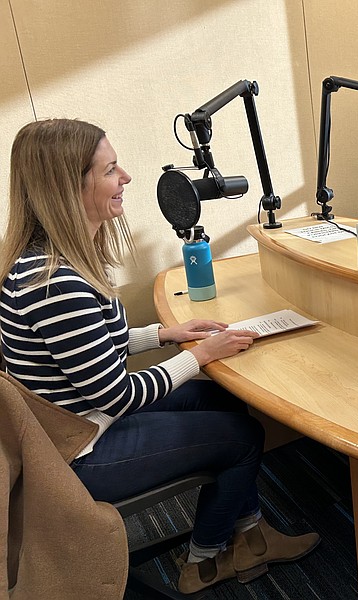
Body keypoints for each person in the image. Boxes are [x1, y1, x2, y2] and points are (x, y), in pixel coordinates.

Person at [0, 119, 319, 594]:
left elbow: (90, 345)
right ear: (72, 186)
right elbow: (116, 394)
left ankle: (251, 538)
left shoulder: (49, 259)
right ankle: (204, 560)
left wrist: (165, 334)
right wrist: (202, 353)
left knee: (224, 401)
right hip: (76, 452)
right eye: (111, 170)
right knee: (246, 436)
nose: (126, 178)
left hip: (76, 419)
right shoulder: (54, 284)